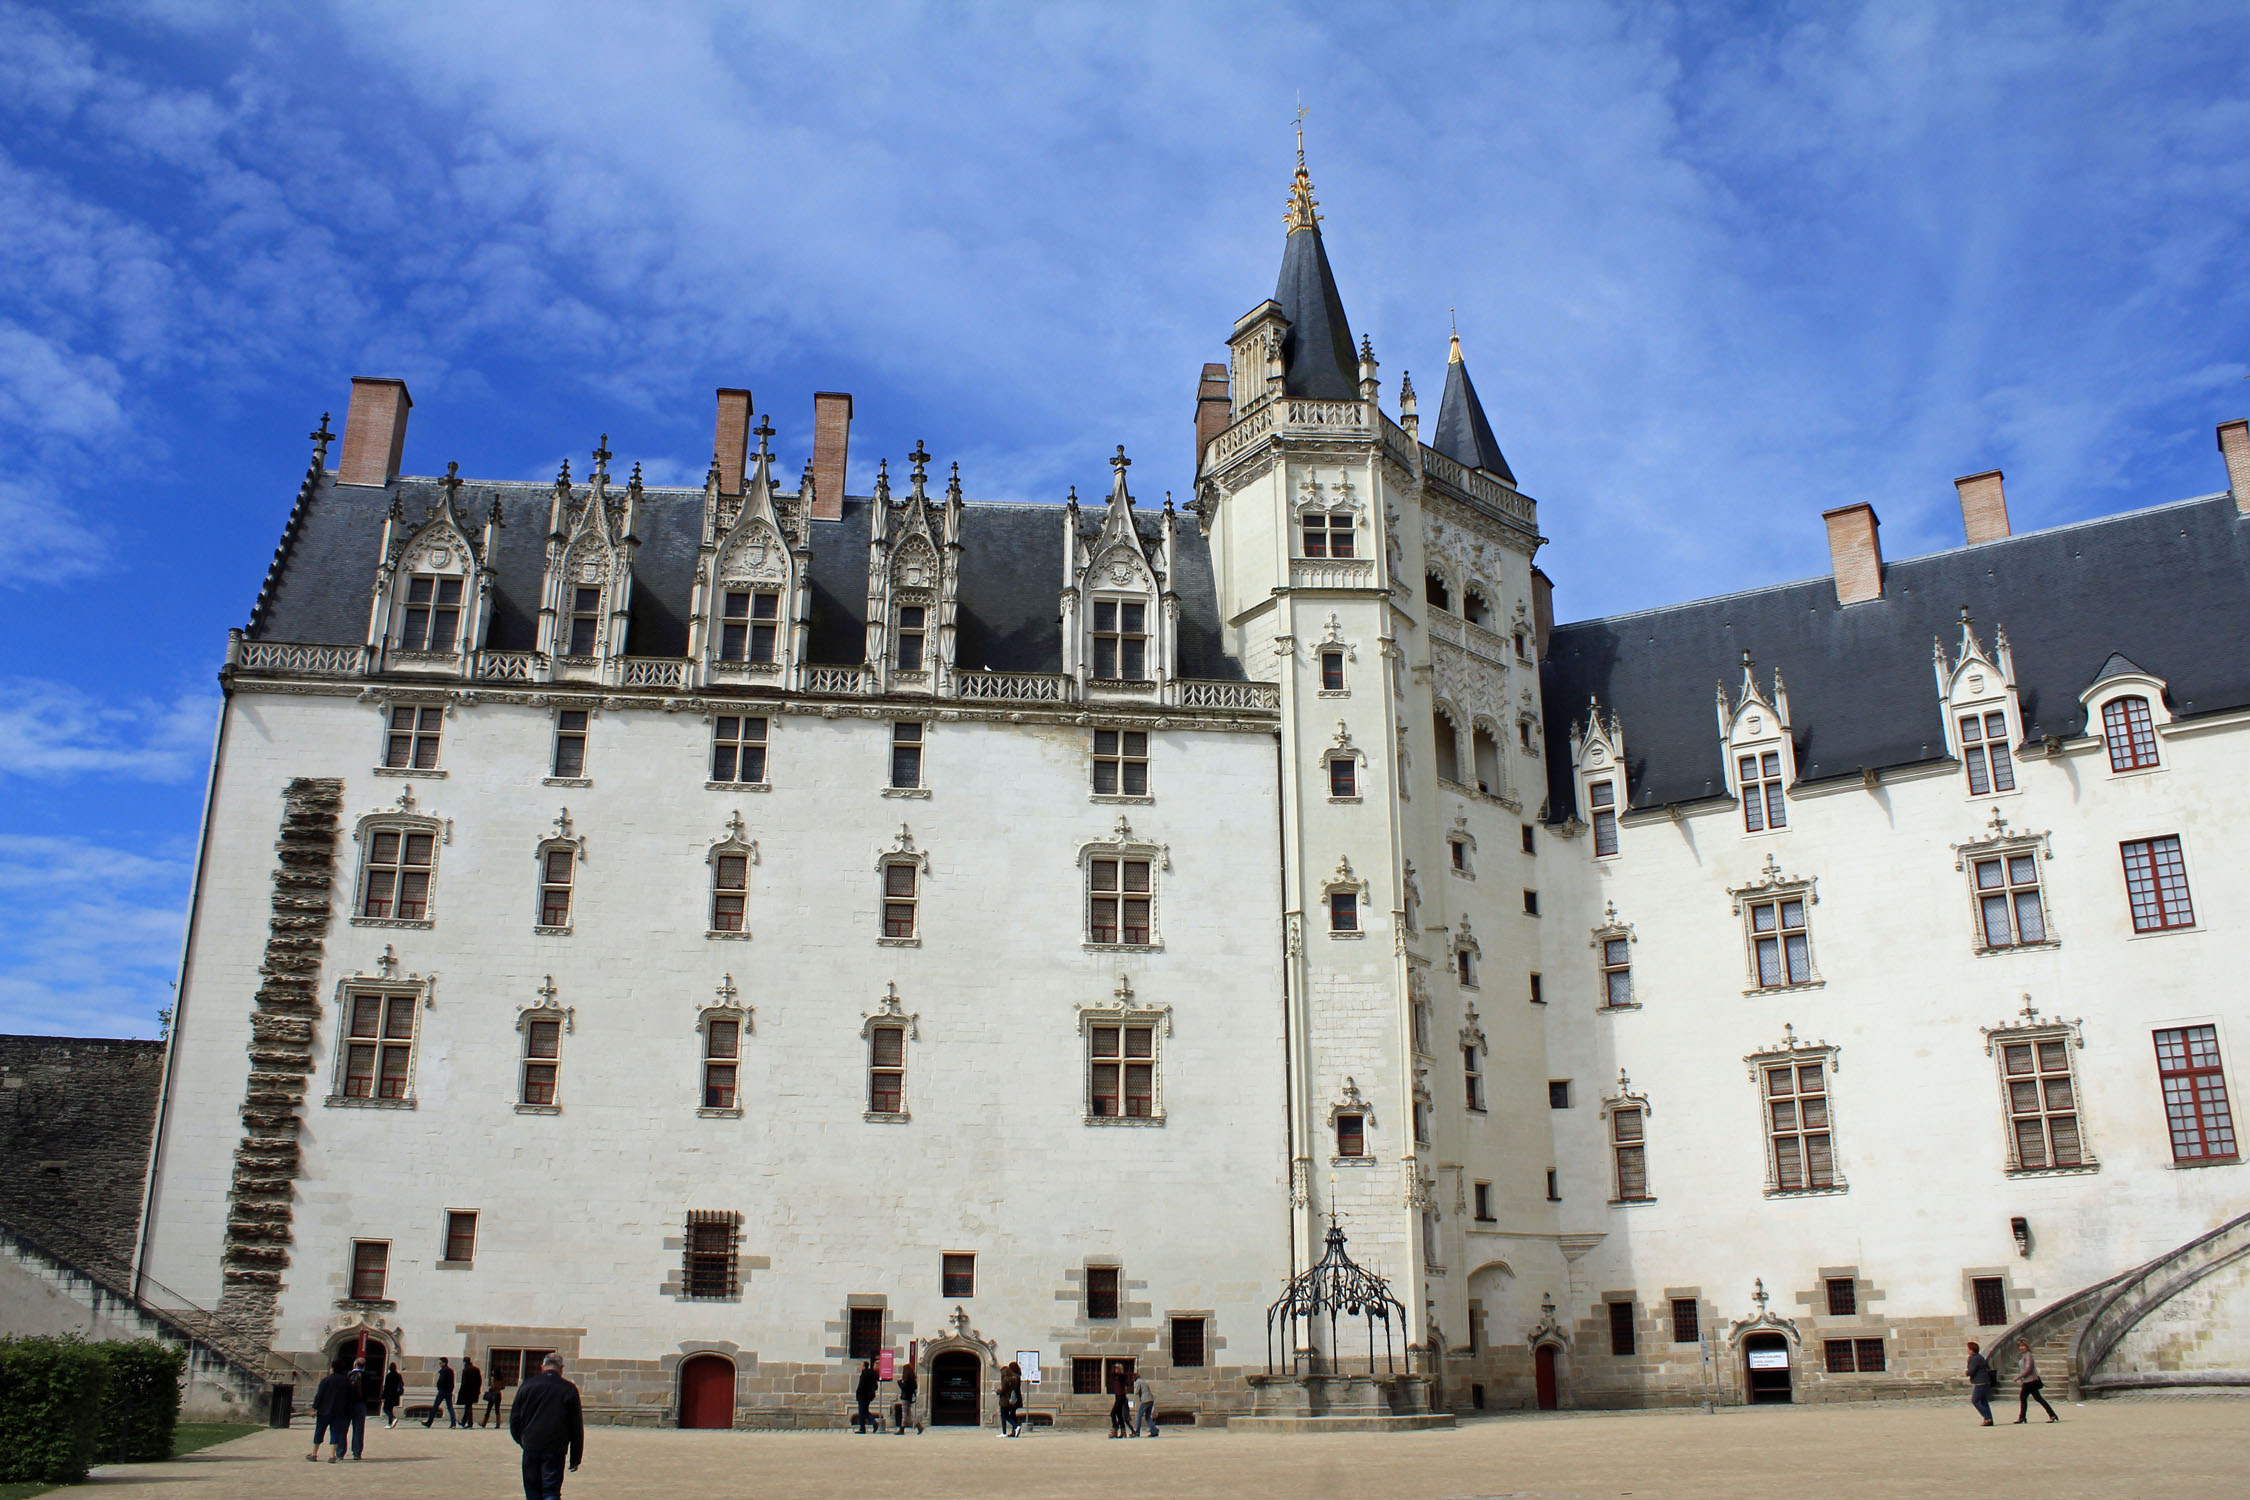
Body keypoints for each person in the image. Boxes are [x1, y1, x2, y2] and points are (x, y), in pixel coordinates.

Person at [509, 1352, 585, 1500]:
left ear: (542, 1367)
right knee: (551, 1491)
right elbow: (576, 1426)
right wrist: (575, 1458)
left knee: (532, 1490)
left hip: (531, 1444)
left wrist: (522, 1440)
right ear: (561, 1368)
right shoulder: (568, 1389)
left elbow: (514, 1419)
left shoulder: (527, 1385)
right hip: (555, 1447)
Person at [307, 1360, 354, 1463]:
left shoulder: (326, 1380)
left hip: (324, 1410)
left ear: (332, 1368)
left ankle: (314, 1453)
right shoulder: (347, 1382)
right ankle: (332, 1455)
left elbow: (319, 1396)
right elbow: (349, 1398)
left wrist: (314, 1408)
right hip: (339, 1411)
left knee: (319, 1431)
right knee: (335, 1432)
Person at [2014, 1340, 2060, 1423]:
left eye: (2023, 1346)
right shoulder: (2024, 1355)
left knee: (2030, 1398)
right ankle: (2051, 1414)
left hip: (2030, 1381)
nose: (2021, 1348)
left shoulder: (2028, 1355)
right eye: (2020, 1346)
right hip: (2027, 1381)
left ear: (2027, 1347)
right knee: (2031, 1398)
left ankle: (2022, 1417)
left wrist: (2019, 1376)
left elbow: (2028, 1369)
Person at [343, 1356, 369, 1459]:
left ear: (355, 1364)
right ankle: (357, 1452)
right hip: (361, 1404)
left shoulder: (348, 1375)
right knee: (358, 1429)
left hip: (347, 1404)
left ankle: (340, 1452)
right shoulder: (367, 1376)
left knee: (343, 1428)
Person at [1965, 1341, 1997, 1426]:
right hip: (1985, 1381)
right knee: (1983, 1401)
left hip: (1981, 1381)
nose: (1967, 1351)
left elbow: (1971, 1370)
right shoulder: (1980, 1357)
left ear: (1972, 1350)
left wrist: (1967, 1372)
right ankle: (1989, 1419)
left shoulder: (1974, 1358)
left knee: (1975, 1400)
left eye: (1968, 1349)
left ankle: (1987, 1418)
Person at [425, 1355, 457, 1428]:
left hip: (442, 1392)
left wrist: (439, 1387)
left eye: (440, 1363)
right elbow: (452, 1382)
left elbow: (441, 1381)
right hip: (449, 1392)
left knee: (435, 1407)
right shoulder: (450, 1371)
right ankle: (453, 1423)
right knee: (450, 1407)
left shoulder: (444, 1371)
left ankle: (429, 1422)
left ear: (444, 1363)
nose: (439, 1364)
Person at [997, 1361, 1022, 1438]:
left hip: (1006, 1399)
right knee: (1013, 1414)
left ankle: (1014, 1427)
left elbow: (1003, 1390)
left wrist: (998, 1391)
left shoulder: (1007, 1379)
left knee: (1005, 1415)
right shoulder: (1017, 1377)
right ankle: (1014, 1431)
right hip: (1015, 1399)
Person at [895, 1362, 921, 1434]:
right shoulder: (912, 1379)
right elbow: (915, 1387)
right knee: (909, 1413)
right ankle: (918, 1426)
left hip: (905, 1397)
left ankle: (902, 1429)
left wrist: (899, 1382)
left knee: (905, 1414)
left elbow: (904, 1388)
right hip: (909, 1397)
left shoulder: (906, 1379)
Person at [854, 1360, 879, 1434]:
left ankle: (863, 1428)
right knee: (865, 1411)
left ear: (864, 1367)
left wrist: (858, 1393)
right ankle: (873, 1422)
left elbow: (861, 1386)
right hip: (868, 1397)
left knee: (862, 1412)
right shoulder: (872, 1374)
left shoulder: (864, 1374)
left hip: (862, 1396)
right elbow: (876, 1386)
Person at [458, 1356, 484, 1430]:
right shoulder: (476, 1369)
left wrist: (461, 1392)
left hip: (467, 1391)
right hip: (474, 1391)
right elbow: (480, 1381)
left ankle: (470, 1423)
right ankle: (463, 1422)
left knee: (468, 1407)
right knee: (468, 1406)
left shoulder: (466, 1370)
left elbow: (464, 1383)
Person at [1107, 1364, 1130, 1438]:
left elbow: (1123, 1378)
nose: (1115, 1370)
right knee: (1119, 1415)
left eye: (1117, 1368)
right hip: (1118, 1397)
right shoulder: (1116, 1376)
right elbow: (1112, 1374)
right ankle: (1123, 1432)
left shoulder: (1122, 1376)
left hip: (1121, 1397)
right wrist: (1114, 1366)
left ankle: (1114, 1430)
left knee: (1112, 1413)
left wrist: (1119, 1370)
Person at [1133, 1370, 1156, 1438]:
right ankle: (1154, 1431)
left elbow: (1136, 1391)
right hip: (1151, 1400)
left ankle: (1137, 1432)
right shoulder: (1144, 1381)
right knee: (1148, 1417)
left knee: (1139, 1416)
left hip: (1145, 1400)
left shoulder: (1138, 1381)